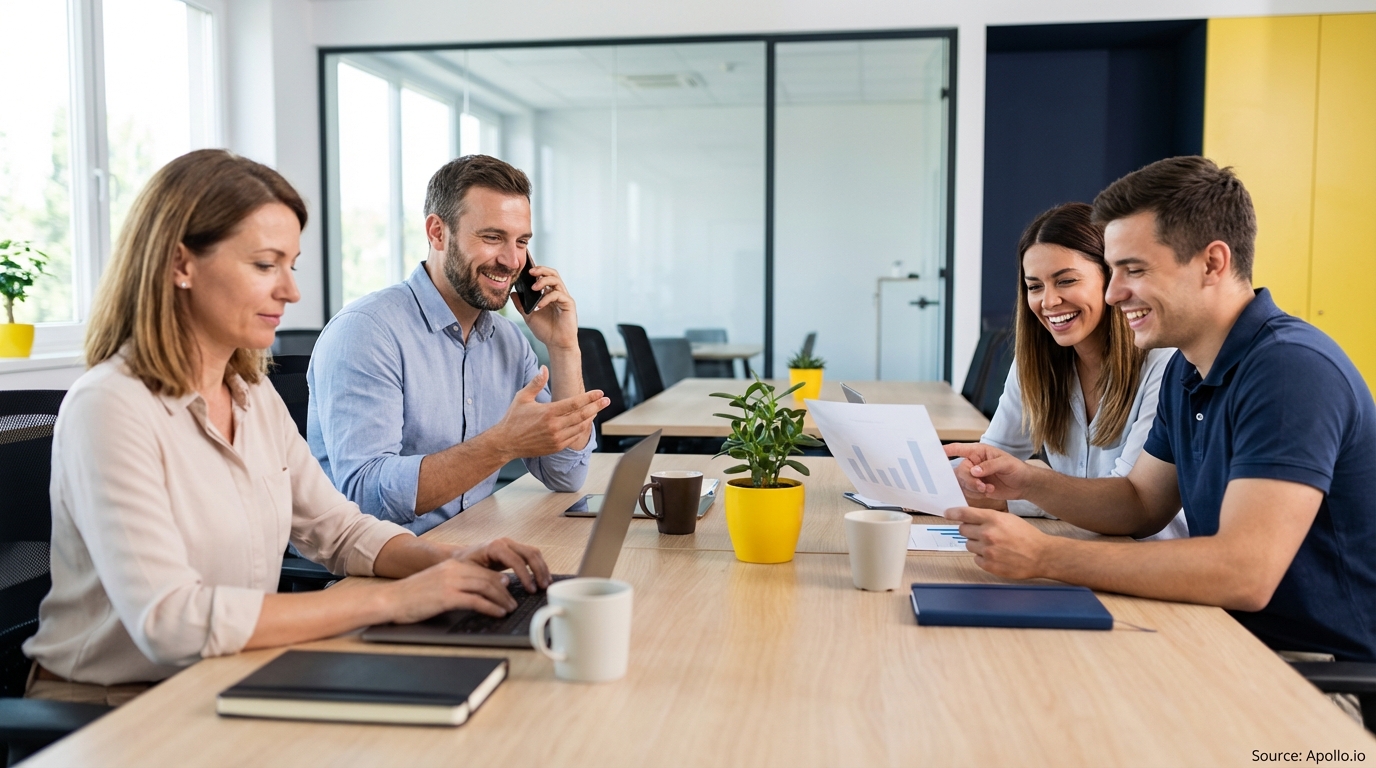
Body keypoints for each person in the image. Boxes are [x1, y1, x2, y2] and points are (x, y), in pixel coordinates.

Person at [24, 150, 551, 706]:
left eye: (291, 265)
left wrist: (451, 562)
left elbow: (340, 530)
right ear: (181, 265)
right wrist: (397, 600)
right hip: (118, 708)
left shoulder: (250, 395)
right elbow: (169, 621)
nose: (290, 292)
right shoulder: (111, 405)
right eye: (264, 265)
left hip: (229, 679)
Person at [945, 157, 1376, 668]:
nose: (1112, 293)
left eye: (1134, 269)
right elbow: (1138, 503)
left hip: (1315, 671)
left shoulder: (1289, 369)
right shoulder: (1189, 369)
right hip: (1219, 633)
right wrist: (1025, 480)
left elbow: (1244, 573)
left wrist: (1046, 556)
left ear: (1213, 263)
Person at [308, 155, 607, 535]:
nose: (512, 260)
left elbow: (567, 474)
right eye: (492, 237)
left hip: (474, 544)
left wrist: (563, 347)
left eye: (522, 242)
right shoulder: (367, 332)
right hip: (379, 568)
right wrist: (501, 445)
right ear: (437, 233)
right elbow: (366, 498)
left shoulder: (509, 342)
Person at [964, 202, 1187, 540]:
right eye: (1035, 286)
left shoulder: (1165, 364)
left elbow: (1125, 504)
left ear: (1110, 281)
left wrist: (1025, 489)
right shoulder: (1037, 363)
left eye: (1065, 281)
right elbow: (993, 466)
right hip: (1081, 546)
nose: (1048, 301)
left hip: (1148, 563)